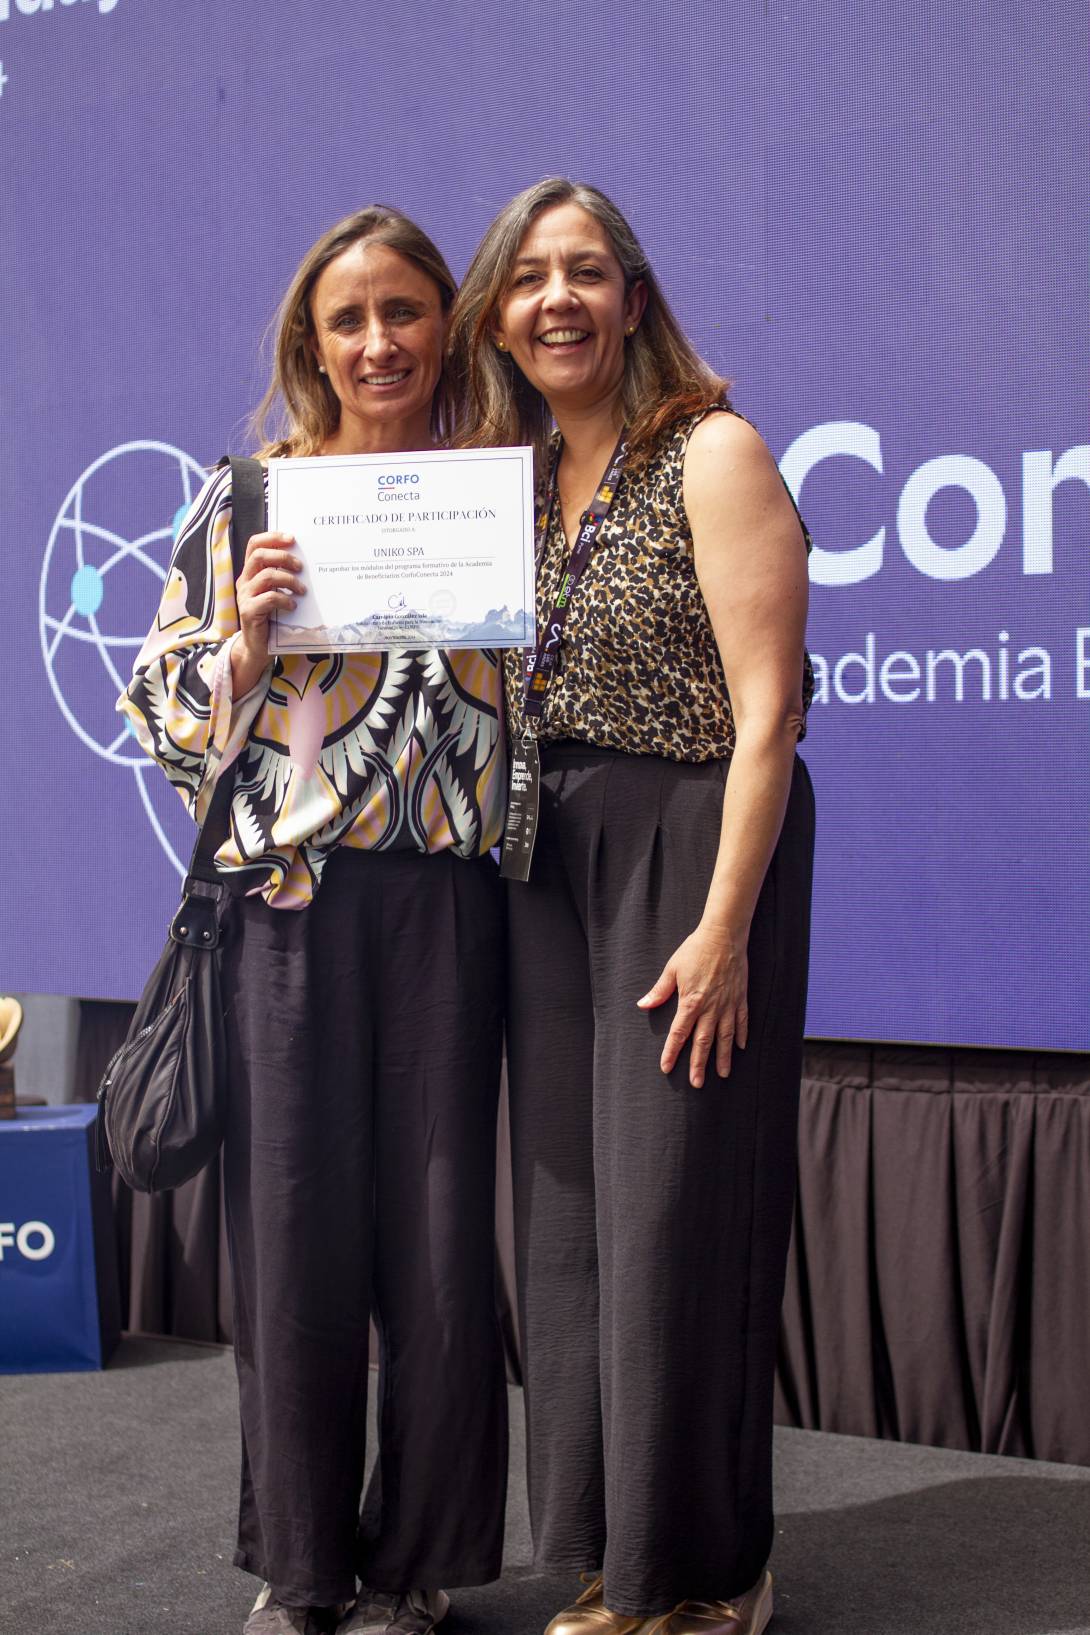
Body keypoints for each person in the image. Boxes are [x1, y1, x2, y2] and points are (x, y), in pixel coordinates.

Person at [119, 207, 508, 1635]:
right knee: (290, 1247)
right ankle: (303, 1567)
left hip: (452, 913)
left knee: (436, 1247)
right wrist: (240, 645)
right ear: (310, 346)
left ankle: (414, 1566)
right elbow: (159, 712)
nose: (376, 342)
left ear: (443, 327)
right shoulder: (245, 500)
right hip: (286, 909)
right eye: (347, 320)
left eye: (402, 311)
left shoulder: (499, 496)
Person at [448, 179, 816, 1635]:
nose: (556, 300)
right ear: (497, 312)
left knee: (676, 1221)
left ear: (634, 300)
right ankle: (616, 1554)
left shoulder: (711, 452)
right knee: (572, 1229)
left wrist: (724, 925)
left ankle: (708, 1578)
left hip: (689, 846)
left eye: (585, 273)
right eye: (529, 278)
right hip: (545, 865)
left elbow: (768, 709)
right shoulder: (512, 482)